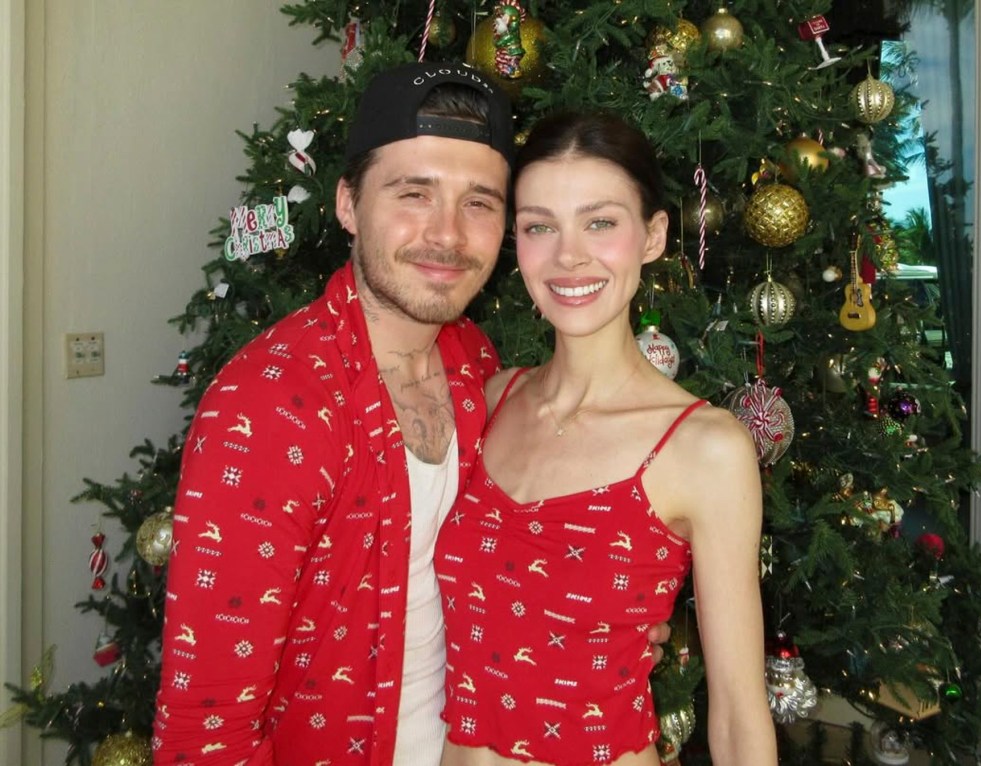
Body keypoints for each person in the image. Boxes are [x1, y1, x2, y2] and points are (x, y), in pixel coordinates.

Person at [152, 63, 667, 766]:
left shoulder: (475, 366)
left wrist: (602, 622)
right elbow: (204, 728)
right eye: (414, 193)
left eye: (478, 202)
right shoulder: (272, 404)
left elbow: (506, 569)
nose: (447, 235)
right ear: (347, 203)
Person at [435, 112, 777, 766]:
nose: (569, 256)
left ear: (653, 235)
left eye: (600, 222)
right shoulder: (489, 400)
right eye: (540, 226)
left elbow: (738, 714)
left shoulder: (704, 448)